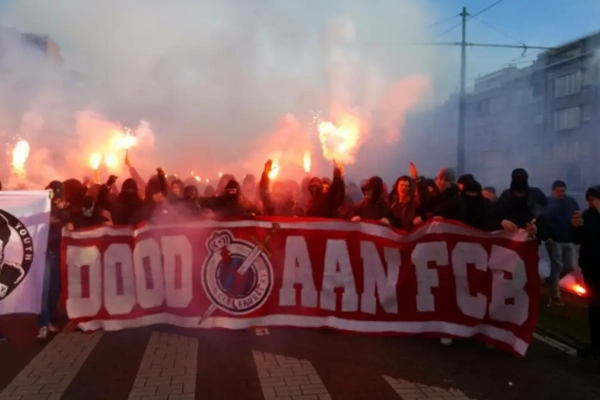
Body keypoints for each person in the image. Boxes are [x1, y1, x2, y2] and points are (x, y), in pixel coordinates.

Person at [571, 185, 600, 362]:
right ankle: (595, 345)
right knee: (594, 308)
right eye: (589, 199)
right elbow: (578, 239)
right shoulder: (587, 216)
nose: (591, 202)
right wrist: (575, 228)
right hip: (591, 267)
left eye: (594, 199)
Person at [544, 180, 579, 306]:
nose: (561, 193)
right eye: (559, 191)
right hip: (553, 240)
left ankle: (551, 281)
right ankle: (555, 296)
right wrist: (547, 236)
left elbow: (577, 216)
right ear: (553, 191)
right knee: (557, 266)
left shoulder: (571, 202)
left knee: (570, 266)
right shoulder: (547, 202)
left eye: (563, 191)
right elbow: (542, 220)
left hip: (568, 238)